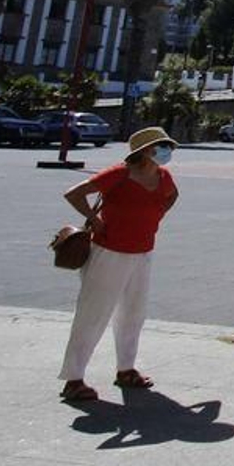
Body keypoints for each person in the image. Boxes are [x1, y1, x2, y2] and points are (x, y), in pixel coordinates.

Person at [58, 127, 180, 401]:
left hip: (143, 252)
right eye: (162, 146)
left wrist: (156, 214)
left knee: (133, 314)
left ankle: (126, 369)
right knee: (93, 313)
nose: (167, 152)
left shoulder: (163, 177)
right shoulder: (119, 174)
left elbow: (172, 196)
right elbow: (74, 193)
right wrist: (95, 219)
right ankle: (73, 378)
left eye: (167, 146)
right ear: (145, 151)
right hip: (109, 251)